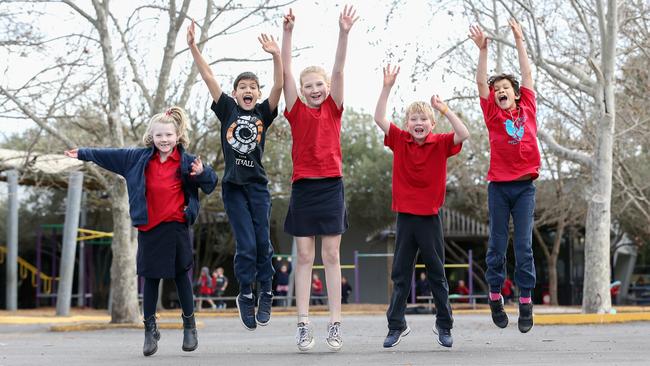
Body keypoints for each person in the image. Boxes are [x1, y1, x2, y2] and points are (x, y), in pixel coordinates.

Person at [64, 107, 218, 357]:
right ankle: (150, 331)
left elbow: (211, 184)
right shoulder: (137, 159)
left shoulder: (189, 162)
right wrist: (83, 153)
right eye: (159, 136)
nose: (164, 140)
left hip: (177, 227)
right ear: (151, 137)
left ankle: (189, 327)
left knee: (181, 277)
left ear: (177, 135)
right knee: (150, 279)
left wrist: (204, 173)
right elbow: (110, 155)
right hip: (150, 228)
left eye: (168, 135)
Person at [187, 20, 283, 331]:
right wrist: (193, 47)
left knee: (263, 242)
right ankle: (245, 293)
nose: (248, 91)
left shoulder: (262, 114)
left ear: (257, 94)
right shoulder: (227, 108)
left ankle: (265, 291)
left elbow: (279, 87)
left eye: (253, 88)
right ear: (235, 92)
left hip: (257, 186)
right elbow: (208, 76)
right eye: (243, 87)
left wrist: (276, 55)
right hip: (232, 188)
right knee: (246, 245)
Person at [373, 64, 469, 349]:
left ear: (431, 124)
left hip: (430, 218)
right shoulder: (400, 140)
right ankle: (396, 325)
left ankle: (444, 325)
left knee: (437, 273)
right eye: (413, 118)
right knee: (400, 274)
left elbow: (463, 134)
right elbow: (379, 117)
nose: (418, 122)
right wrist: (387, 87)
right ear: (407, 123)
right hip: (405, 218)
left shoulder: (440, 143)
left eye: (423, 119)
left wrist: (444, 109)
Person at [281, 5, 358, 352]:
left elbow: (340, 68)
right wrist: (287, 35)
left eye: (319, 85)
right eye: (308, 86)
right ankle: (302, 323)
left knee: (330, 256)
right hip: (303, 187)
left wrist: (343, 33)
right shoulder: (296, 109)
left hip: (331, 185)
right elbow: (285, 72)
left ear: (327, 87)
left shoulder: (333, 107)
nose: (314, 89)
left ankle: (335, 323)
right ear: (301, 90)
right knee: (303, 256)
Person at [470, 19, 540, 334]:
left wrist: (519, 40)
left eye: (505, 89)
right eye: (497, 90)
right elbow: (481, 82)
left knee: (523, 246)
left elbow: (526, 74)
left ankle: (525, 300)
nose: (500, 92)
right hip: (499, 187)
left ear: (515, 94)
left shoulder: (528, 107)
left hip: (525, 187)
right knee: (497, 244)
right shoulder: (493, 114)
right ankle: (496, 295)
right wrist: (483, 50)